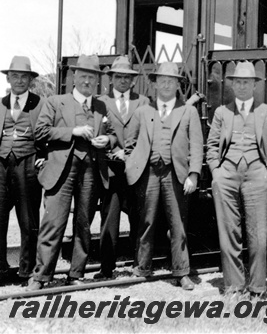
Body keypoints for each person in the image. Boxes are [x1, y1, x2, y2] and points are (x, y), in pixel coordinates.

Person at [28, 54, 114, 290]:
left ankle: (76, 274)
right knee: (53, 222)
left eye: (92, 77)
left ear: (97, 81)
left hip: (90, 170)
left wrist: (107, 138)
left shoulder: (101, 106)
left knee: (84, 223)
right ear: (74, 77)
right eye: (83, 76)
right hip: (61, 170)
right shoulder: (56, 102)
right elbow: (41, 132)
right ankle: (41, 276)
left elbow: (114, 134)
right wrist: (72, 131)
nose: (87, 81)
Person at [125, 62, 202, 291]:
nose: (167, 84)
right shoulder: (143, 111)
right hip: (149, 173)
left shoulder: (188, 111)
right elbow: (129, 145)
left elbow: (197, 146)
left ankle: (182, 272)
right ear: (155, 83)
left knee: (177, 223)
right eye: (162, 80)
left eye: (172, 80)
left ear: (178, 84)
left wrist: (194, 174)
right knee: (146, 221)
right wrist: (134, 168)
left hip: (175, 174)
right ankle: (142, 267)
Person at [206, 61, 267, 296]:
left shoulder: (266, 111)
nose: (241, 86)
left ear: (254, 85)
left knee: (258, 234)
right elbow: (212, 146)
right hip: (227, 174)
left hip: (257, 174)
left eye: (246, 82)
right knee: (228, 232)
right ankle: (234, 285)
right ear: (232, 84)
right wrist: (216, 172)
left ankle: (258, 286)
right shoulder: (222, 112)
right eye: (237, 82)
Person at [94, 55, 149, 279]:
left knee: (138, 217)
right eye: (118, 77)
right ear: (111, 78)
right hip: (111, 169)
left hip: (136, 169)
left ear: (133, 80)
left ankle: (139, 266)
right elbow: (99, 132)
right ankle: (107, 268)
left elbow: (147, 134)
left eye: (127, 77)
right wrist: (113, 151)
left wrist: (131, 156)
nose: (123, 81)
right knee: (110, 218)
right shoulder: (101, 102)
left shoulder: (143, 102)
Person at [0, 56, 45, 283]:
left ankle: (27, 270)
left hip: (28, 163)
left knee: (28, 220)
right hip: (1, 165)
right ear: (8, 79)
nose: (19, 81)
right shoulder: (0, 103)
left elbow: (48, 133)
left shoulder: (40, 104)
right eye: (15, 76)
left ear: (31, 80)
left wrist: (44, 157)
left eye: (24, 76)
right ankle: (0, 268)